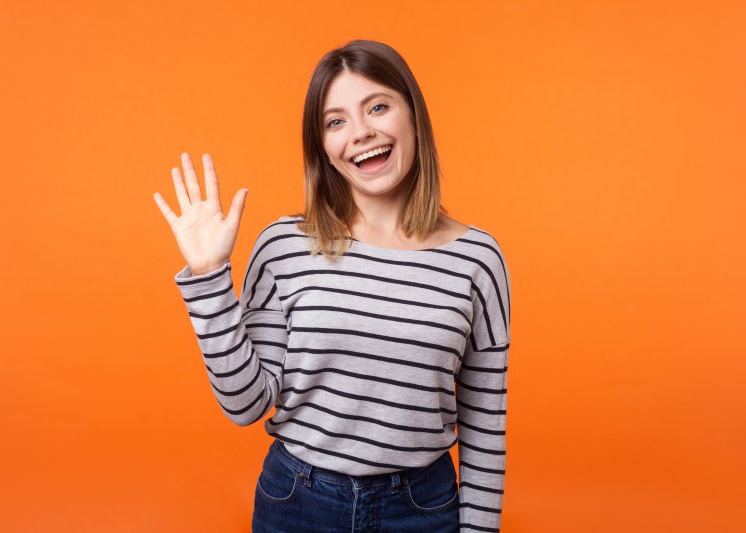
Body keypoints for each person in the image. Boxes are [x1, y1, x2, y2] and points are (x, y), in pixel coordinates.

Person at [153, 39, 511, 533]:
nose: (361, 133)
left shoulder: (478, 260)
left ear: (413, 115)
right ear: (322, 146)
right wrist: (208, 278)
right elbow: (245, 405)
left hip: (423, 510)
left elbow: (485, 424)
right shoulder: (284, 246)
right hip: (299, 502)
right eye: (336, 121)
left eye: (378, 107)